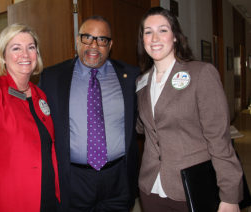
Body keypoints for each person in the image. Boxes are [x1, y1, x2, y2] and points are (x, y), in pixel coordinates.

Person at [136, 7, 243, 212]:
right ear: (143, 39)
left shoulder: (201, 73)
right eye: (148, 32)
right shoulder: (141, 82)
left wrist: (230, 196)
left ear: (175, 36)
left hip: (190, 188)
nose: (155, 37)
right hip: (150, 187)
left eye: (163, 30)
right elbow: (144, 127)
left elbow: (219, 139)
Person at [39, 16, 140, 212]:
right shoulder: (52, 77)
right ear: (77, 40)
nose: (94, 45)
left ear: (110, 45)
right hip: (73, 178)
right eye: (87, 37)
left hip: (118, 177)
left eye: (102, 39)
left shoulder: (131, 76)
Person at [0, 23, 60, 212]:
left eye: (31, 47)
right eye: (16, 48)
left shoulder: (40, 95)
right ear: (3, 56)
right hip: (13, 202)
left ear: (37, 55)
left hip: (49, 198)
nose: (25, 54)